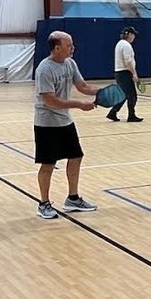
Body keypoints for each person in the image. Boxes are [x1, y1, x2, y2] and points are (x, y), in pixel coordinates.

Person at [34, 31, 100, 219]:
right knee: (48, 164)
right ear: (57, 48)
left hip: (65, 121)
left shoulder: (70, 64)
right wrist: (80, 105)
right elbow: (50, 101)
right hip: (46, 123)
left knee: (76, 156)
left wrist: (104, 92)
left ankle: (72, 198)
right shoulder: (44, 70)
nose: (73, 48)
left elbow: (83, 86)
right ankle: (43, 204)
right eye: (69, 45)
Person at [108, 26, 143, 123]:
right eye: (133, 34)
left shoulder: (119, 44)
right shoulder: (126, 45)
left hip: (119, 73)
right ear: (130, 35)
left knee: (124, 95)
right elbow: (128, 62)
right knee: (132, 96)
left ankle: (113, 112)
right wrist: (134, 74)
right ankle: (131, 115)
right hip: (124, 73)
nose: (134, 37)